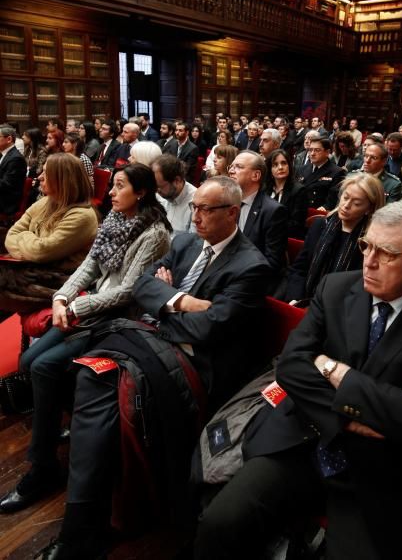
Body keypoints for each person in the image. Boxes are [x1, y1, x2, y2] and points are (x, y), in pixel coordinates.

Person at [194, 201, 402, 560]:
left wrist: (334, 369)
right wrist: (355, 417)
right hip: (303, 438)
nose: (369, 261)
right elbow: (291, 367)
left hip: (383, 468)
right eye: (366, 245)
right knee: (219, 524)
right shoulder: (337, 288)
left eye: (386, 253)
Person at [33, 176, 272, 560]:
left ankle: (83, 525)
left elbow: (210, 329)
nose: (196, 216)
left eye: (206, 209)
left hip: (199, 363)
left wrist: (166, 302)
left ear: (233, 212)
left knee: (98, 387)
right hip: (153, 340)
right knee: (84, 378)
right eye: (194, 208)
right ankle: (96, 512)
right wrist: (183, 301)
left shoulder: (252, 266)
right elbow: (142, 286)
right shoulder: (184, 242)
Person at [0, 164, 171, 514]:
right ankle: (69, 421)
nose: (110, 191)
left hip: (119, 320)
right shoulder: (114, 219)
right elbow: (89, 268)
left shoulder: (154, 234)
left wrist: (78, 306)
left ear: (140, 192)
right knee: (29, 362)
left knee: (45, 366)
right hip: (89, 309)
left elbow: (128, 291)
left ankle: (42, 466)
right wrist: (61, 298)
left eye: (119, 186)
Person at [1, 154, 98, 312]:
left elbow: (41, 252)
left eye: (46, 173)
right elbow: (11, 235)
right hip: (33, 268)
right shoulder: (45, 201)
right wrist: (32, 244)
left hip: (57, 278)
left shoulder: (82, 215)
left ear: (62, 179)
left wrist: (25, 237)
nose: (39, 177)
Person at [283, 172, 385, 303]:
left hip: (340, 310)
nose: (346, 205)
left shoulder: (370, 243)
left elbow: (363, 290)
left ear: (369, 209)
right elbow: (299, 268)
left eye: (357, 203)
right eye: (345, 197)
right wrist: (295, 298)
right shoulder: (320, 225)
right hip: (303, 300)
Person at [228, 151, 288, 277]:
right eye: (231, 166)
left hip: (250, 277)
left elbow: (272, 262)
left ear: (256, 175)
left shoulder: (273, 211)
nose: (231, 171)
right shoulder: (226, 203)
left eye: (238, 167)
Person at [265, 149, 308, 239]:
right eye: (275, 165)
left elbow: (296, 224)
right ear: (270, 170)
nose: (280, 167)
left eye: (284, 163)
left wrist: (270, 228)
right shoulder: (265, 189)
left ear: (289, 166)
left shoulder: (299, 190)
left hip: (286, 238)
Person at [297, 136, 346, 210]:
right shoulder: (302, 169)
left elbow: (332, 201)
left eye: (317, 150)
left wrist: (323, 209)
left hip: (318, 214)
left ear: (327, 152)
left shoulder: (337, 172)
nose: (312, 153)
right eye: (310, 150)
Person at [153, 154, 196, 234]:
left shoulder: (196, 203)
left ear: (177, 180)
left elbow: (192, 242)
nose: (156, 191)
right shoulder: (159, 195)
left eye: (159, 186)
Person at [0, 124, 27, 217]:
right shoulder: (4, 154)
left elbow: (7, 184)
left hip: (7, 201)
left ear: (9, 139)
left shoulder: (16, 158)